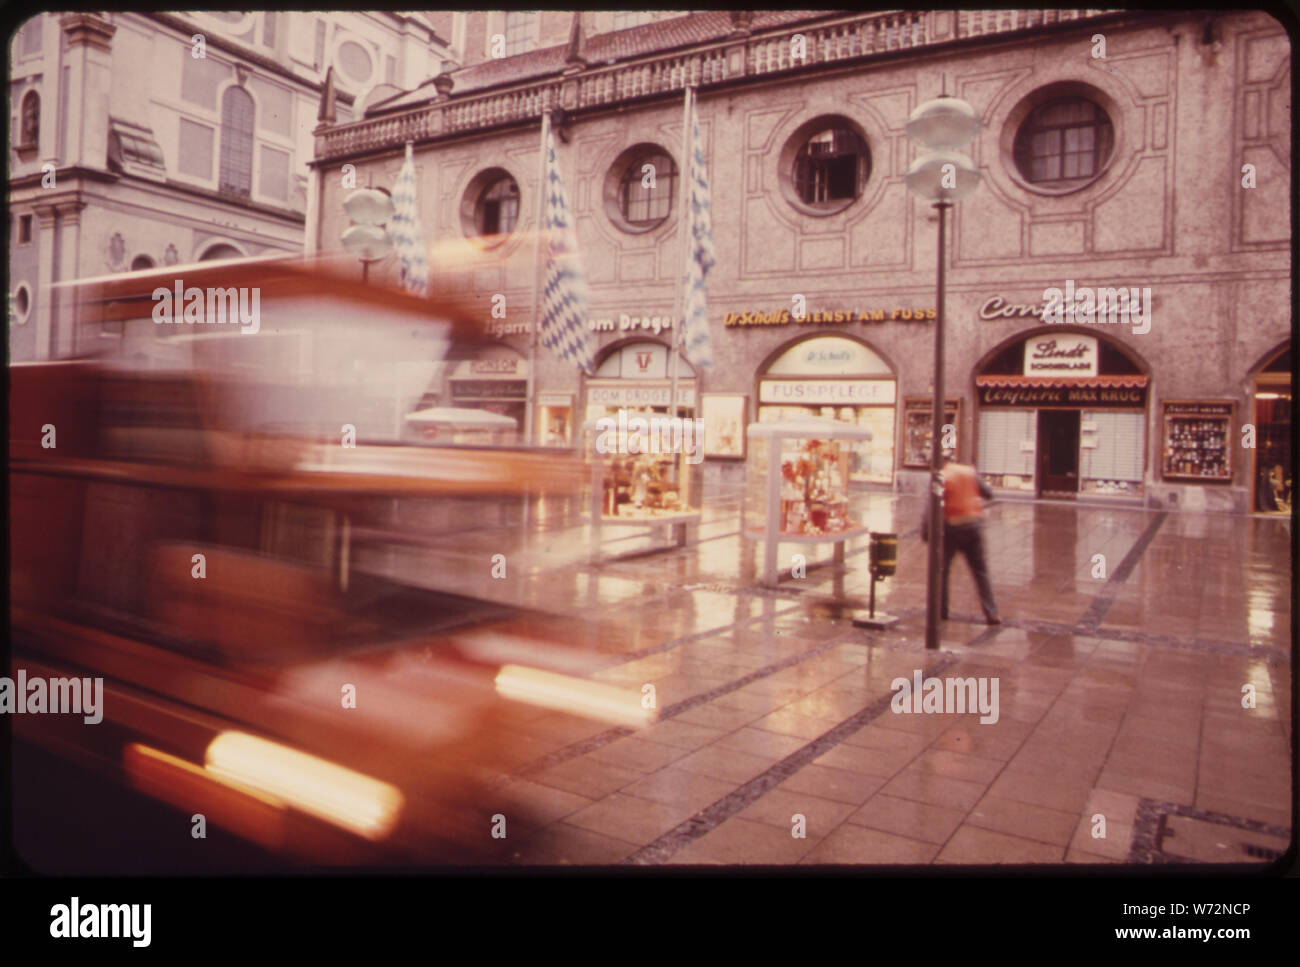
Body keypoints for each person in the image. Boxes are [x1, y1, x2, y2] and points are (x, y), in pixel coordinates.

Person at [940, 451, 1001, 625]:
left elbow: (930, 507)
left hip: (953, 527)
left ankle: (941, 610)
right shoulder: (969, 472)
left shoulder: (941, 476)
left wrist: (925, 532)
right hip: (974, 525)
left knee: (942, 570)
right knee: (980, 571)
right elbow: (988, 493)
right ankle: (992, 613)